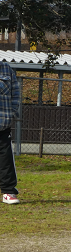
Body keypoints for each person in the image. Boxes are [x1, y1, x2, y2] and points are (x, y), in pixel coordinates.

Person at [0, 61, 20, 205]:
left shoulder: (6, 68)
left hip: (2, 123)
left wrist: (11, 113)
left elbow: (16, 93)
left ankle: (8, 191)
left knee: (6, 158)